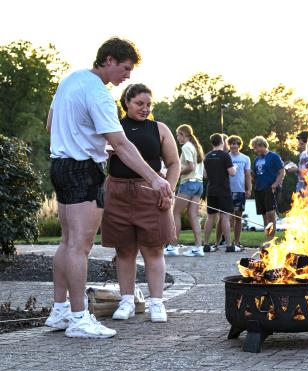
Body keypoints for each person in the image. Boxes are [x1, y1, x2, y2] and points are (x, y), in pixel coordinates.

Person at [44, 38, 172, 338]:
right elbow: (122, 144)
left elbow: (51, 124)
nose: (127, 76)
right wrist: (155, 178)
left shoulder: (70, 80)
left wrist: (86, 137)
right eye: (125, 69)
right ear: (110, 60)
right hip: (82, 170)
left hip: (60, 166)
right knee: (80, 246)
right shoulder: (99, 93)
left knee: (66, 242)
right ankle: (78, 318)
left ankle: (60, 311)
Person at [101, 83, 179, 323]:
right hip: (118, 193)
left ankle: (157, 302)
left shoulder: (160, 129)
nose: (145, 109)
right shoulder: (113, 128)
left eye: (148, 105)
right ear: (126, 102)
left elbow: (174, 163)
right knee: (124, 250)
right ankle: (126, 301)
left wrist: (169, 191)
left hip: (151, 193)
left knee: (154, 249)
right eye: (139, 104)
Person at [165, 124, 205, 256]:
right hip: (199, 185)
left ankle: (173, 246)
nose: (177, 138)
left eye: (178, 135)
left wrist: (176, 172)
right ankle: (198, 248)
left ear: (183, 134)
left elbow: (190, 167)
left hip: (188, 183)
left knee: (175, 213)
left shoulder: (186, 147)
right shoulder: (196, 147)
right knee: (193, 215)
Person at [202, 133, 237, 254]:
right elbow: (232, 173)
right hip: (223, 191)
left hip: (211, 190)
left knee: (210, 217)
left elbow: (205, 175)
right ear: (222, 141)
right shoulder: (225, 156)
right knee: (225, 217)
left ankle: (206, 245)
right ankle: (228, 245)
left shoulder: (207, 156)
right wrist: (235, 167)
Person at [250, 136, 285, 241]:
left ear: (262, 145)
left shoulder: (273, 156)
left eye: (256, 148)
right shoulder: (256, 159)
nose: (255, 150)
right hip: (259, 188)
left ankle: (271, 239)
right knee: (264, 215)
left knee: (271, 213)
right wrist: (249, 175)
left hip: (270, 188)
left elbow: (282, 172)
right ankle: (268, 237)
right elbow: (255, 175)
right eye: (254, 148)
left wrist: (275, 184)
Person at [227, 135, 252, 250]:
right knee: (227, 218)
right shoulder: (226, 157)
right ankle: (227, 242)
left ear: (239, 145)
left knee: (238, 218)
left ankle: (237, 242)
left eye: (236, 143)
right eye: (232, 143)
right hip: (227, 191)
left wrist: (249, 189)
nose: (234, 145)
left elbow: (247, 175)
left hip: (240, 190)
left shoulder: (245, 158)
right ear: (229, 145)